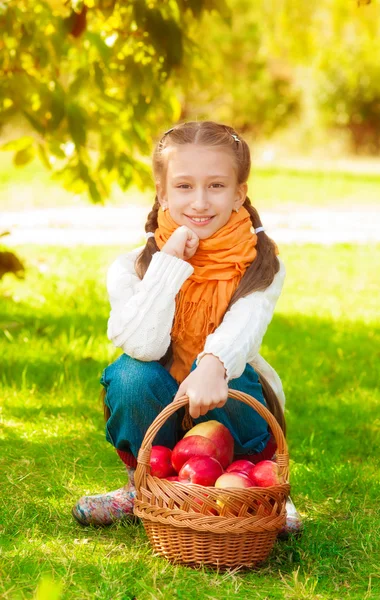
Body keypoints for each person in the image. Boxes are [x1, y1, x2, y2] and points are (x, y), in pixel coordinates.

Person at [72, 121, 302, 536]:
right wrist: (170, 263)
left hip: (231, 402)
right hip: (161, 402)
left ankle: (257, 489)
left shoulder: (263, 264)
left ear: (239, 194)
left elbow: (244, 324)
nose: (199, 202)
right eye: (183, 187)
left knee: (231, 369)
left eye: (216, 186)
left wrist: (213, 364)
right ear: (162, 193)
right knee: (129, 374)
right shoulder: (131, 268)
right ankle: (143, 486)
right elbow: (143, 345)